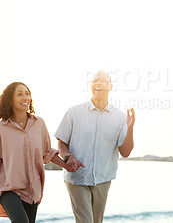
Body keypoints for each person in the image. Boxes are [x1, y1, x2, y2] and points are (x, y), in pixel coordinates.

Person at [55, 70, 135, 223]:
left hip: (103, 179)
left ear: (110, 86)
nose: (98, 83)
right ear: (91, 86)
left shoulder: (120, 117)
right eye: (95, 80)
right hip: (77, 178)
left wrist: (130, 128)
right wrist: (68, 156)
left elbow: (125, 152)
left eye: (102, 81)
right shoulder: (74, 112)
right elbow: (61, 142)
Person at [0, 82, 67, 223]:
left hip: (32, 189)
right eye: (20, 94)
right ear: (9, 100)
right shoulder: (2, 128)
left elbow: (47, 152)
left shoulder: (39, 123)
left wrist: (67, 166)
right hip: (8, 188)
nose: (25, 97)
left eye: (27, 93)